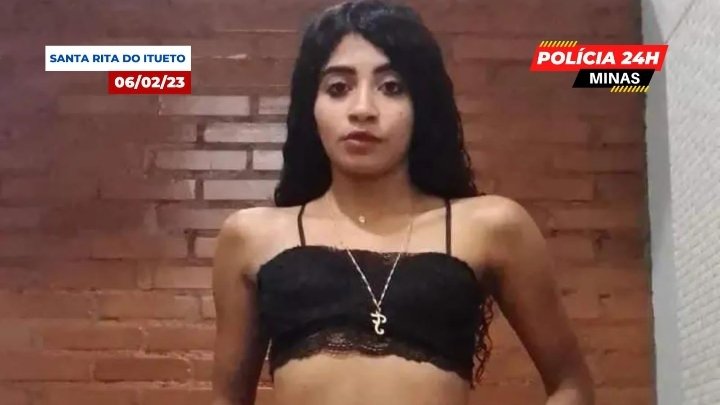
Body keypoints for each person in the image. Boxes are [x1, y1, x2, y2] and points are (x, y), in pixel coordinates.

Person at [212, 1, 594, 404]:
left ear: (421, 105)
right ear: (312, 106)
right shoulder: (252, 237)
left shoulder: (492, 226)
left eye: (391, 87)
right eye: (338, 88)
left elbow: (572, 386)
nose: (363, 110)